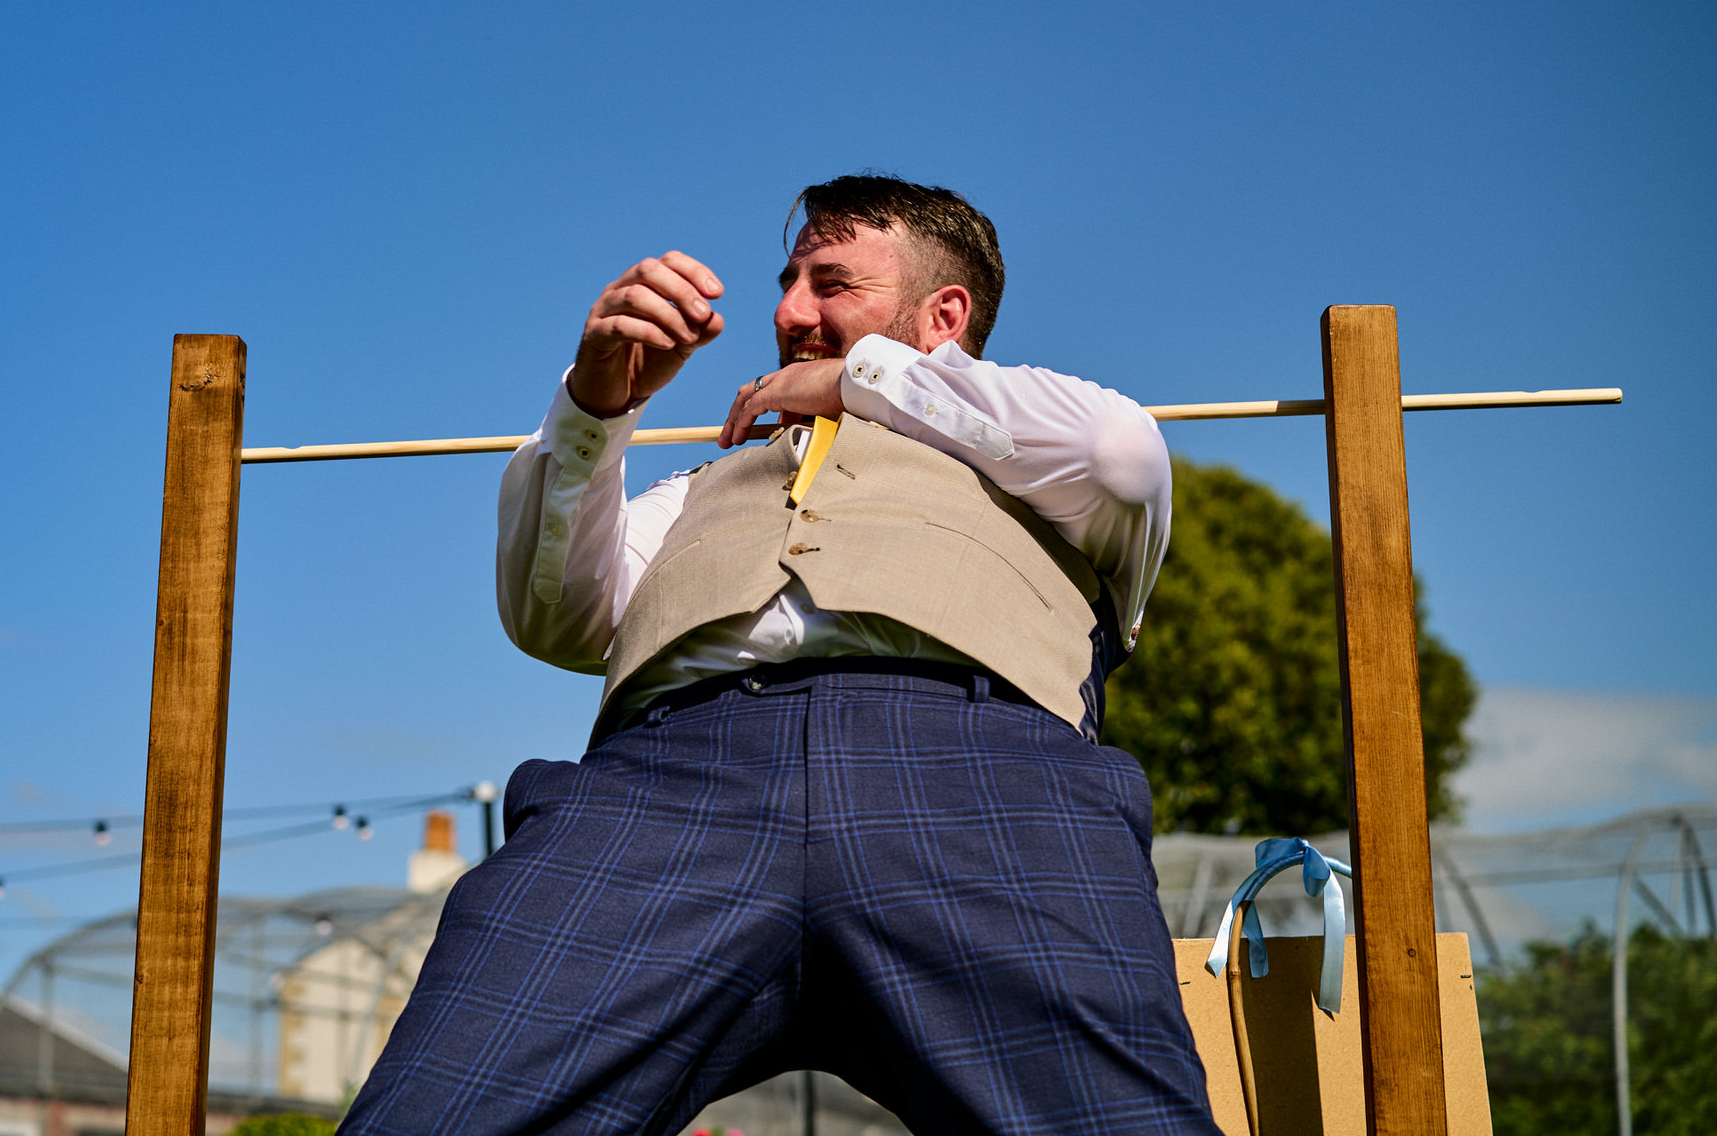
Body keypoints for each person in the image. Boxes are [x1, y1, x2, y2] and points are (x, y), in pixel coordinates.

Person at [341, 175, 1219, 1136]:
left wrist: (855, 381)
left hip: (984, 793)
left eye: (830, 283)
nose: (789, 311)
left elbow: (1122, 452)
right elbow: (552, 615)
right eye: (788, 281)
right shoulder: (703, 484)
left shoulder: (1044, 453)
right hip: (659, 798)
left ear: (945, 314)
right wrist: (597, 406)